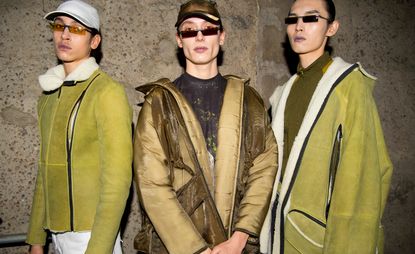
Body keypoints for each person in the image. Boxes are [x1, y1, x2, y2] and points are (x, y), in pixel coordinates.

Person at [133, 0, 278, 253]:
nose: (199, 37)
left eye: (208, 29)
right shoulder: (158, 103)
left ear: (222, 37)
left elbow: (264, 167)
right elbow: (151, 184)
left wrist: (241, 237)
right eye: (189, 30)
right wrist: (195, 249)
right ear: (180, 40)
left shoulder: (248, 100)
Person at [259, 0, 393, 253]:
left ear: (331, 28)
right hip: (279, 234)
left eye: (311, 18)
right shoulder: (285, 91)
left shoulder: (349, 86)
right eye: (292, 19)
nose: (299, 26)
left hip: (319, 239)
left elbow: (361, 181)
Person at [26, 1, 132, 253]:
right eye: (60, 25)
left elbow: (117, 182)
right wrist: (36, 240)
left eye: (76, 29)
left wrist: (98, 248)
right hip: (56, 235)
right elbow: (45, 172)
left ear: (94, 42)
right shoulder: (49, 95)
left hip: (92, 236)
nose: (64, 34)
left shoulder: (107, 92)